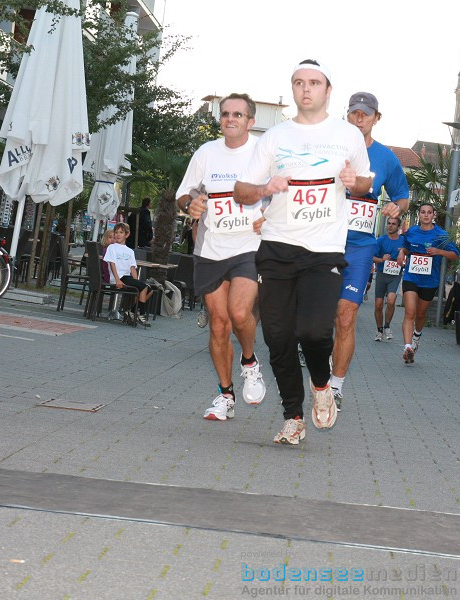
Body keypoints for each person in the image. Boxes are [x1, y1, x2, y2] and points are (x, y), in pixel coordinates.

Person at [234, 59, 372, 445]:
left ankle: (323, 385)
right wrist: (265, 189)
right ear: (293, 90)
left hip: (324, 249)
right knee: (277, 338)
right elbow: (242, 191)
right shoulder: (274, 138)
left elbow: (363, 183)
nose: (305, 89)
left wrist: (353, 182)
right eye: (298, 83)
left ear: (328, 90)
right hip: (277, 247)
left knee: (312, 331)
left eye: (314, 82)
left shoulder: (348, 135)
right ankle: (293, 417)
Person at [175, 93, 268, 421]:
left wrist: (269, 217)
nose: (230, 119)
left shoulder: (262, 152)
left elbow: (283, 195)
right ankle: (225, 395)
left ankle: (249, 362)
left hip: (249, 246)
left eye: (238, 115)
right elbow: (183, 194)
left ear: (250, 121)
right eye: (226, 113)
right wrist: (191, 205)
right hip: (211, 248)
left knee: (239, 313)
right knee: (218, 324)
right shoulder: (206, 153)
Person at [330, 92, 409, 409]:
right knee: (320, 316)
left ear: (377, 118)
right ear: (346, 115)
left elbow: (403, 196)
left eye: (366, 113)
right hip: (324, 242)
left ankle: (336, 386)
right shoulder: (331, 149)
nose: (359, 117)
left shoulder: (387, 158)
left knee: (346, 316)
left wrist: (395, 207)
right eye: (354, 112)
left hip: (360, 246)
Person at [396, 202, 459, 364]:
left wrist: (440, 252)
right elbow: (406, 247)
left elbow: (454, 255)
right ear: (419, 215)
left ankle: (416, 336)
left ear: (433, 215)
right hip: (411, 277)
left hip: (430, 280)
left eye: (429, 212)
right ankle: (407, 347)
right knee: (410, 311)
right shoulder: (412, 232)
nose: (426, 215)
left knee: (421, 313)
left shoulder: (441, 234)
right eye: (423, 212)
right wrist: (402, 253)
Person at [104, 223, 153, 327]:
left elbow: (132, 268)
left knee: (149, 290)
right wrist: (117, 280)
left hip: (127, 277)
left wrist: (137, 283)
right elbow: (112, 264)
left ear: (127, 234)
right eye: (116, 232)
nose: (118, 235)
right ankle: (141, 314)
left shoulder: (130, 251)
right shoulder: (112, 248)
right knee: (143, 287)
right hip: (119, 278)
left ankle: (131, 311)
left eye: (121, 232)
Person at [372, 216, 405, 341]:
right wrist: (381, 260)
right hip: (381, 274)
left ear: (398, 227)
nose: (390, 226)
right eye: (389, 223)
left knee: (391, 301)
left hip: (395, 275)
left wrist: (404, 261)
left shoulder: (403, 241)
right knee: (378, 305)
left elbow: (409, 255)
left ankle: (387, 327)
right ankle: (379, 330)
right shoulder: (381, 240)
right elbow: (372, 257)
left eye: (393, 224)